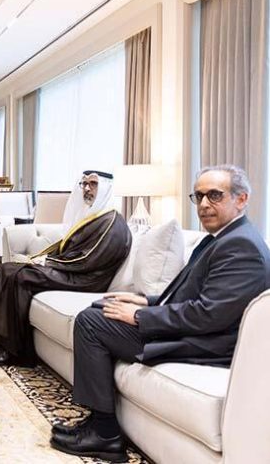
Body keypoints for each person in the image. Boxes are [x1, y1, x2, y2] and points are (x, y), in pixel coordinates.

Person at [51, 165, 270, 462]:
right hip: (198, 329)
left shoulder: (241, 246)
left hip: (208, 343)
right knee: (101, 307)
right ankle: (97, 420)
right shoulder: (222, 237)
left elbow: (209, 315)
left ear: (241, 199)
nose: (204, 204)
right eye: (199, 196)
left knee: (92, 323)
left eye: (215, 195)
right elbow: (195, 298)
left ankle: (105, 433)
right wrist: (146, 301)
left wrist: (139, 317)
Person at [0, 170, 131, 366]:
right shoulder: (95, 216)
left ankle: (16, 352)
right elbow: (71, 248)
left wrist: (48, 262)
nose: (87, 189)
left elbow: (88, 260)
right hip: (73, 271)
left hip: (87, 280)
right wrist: (43, 258)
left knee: (22, 277)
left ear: (106, 188)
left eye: (93, 184)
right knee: (6, 269)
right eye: (84, 184)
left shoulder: (111, 222)